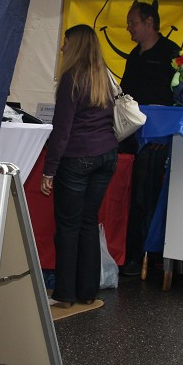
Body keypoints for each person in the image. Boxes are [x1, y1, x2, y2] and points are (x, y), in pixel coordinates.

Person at [40, 25, 119, 307]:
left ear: (75, 46)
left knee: (68, 227)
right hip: (107, 155)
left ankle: (65, 293)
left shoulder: (72, 79)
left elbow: (62, 130)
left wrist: (49, 170)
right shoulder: (105, 77)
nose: (62, 47)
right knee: (88, 224)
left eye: (65, 42)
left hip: (78, 157)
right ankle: (88, 292)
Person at [119, 0, 181, 276]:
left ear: (149, 23)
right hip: (131, 137)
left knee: (147, 196)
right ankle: (129, 252)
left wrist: (164, 133)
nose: (128, 27)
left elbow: (180, 98)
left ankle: (148, 255)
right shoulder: (134, 55)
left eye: (133, 22)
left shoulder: (171, 53)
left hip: (157, 141)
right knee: (129, 196)